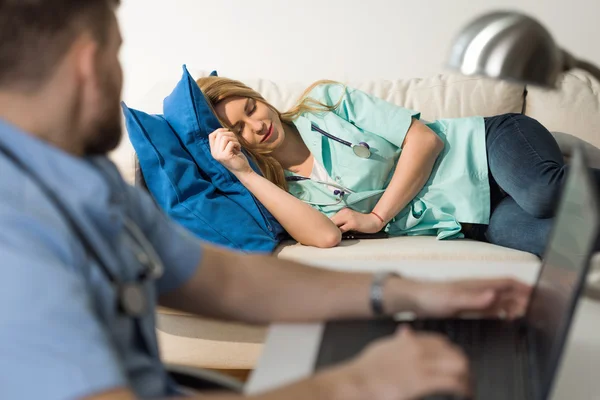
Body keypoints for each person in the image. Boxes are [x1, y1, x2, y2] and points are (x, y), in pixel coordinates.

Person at [0, 1, 532, 399]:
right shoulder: (16, 233)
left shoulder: (84, 184)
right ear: (88, 65)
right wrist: (358, 382)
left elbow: (226, 279)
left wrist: (404, 293)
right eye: (118, 54)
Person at [199, 75, 600, 258]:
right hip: (477, 216)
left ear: (258, 98)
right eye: (240, 130)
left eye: (252, 108)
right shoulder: (286, 193)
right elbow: (324, 238)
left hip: (483, 147)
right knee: (552, 239)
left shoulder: (326, 102)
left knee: (542, 192)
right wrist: (244, 172)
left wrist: (377, 216)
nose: (258, 125)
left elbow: (426, 139)